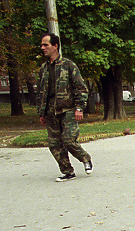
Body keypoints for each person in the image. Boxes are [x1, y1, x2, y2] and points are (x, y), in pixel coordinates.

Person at [37, 33, 92, 182]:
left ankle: (85, 158)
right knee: (54, 144)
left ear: (55, 46)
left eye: (45, 45)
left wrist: (79, 108)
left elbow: (81, 88)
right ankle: (67, 171)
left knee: (68, 140)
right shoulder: (44, 68)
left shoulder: (68, 65)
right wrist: (41, 113)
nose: (42, 48)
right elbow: (41, 92)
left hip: (67, 110)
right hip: (50, 112)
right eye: (42, 45)